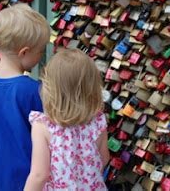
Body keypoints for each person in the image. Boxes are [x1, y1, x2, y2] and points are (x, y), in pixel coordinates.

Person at [0, 3, 50, 191]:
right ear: (24, 52)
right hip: (29, 179)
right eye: (40, 51)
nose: (41, 56)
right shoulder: (33, 90)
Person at [24, 49, 110, 191]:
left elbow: (40, 175)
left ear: (49, 90)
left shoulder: (43, 126)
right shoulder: (98, 121)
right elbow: (104, 158)